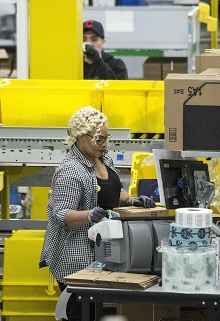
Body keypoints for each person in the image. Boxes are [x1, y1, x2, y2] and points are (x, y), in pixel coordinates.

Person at [40, 106, 155, 321]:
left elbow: (111, 189)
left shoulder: (103, 158)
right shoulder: (70, 170)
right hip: (75, 257)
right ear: (81, 137)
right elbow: (62, 216)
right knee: (81, 314)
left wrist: (132, 200)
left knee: (99, 313)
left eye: (106, 137)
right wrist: (89, 215)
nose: (104, 144)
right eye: (98, 139)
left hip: (102, 253)